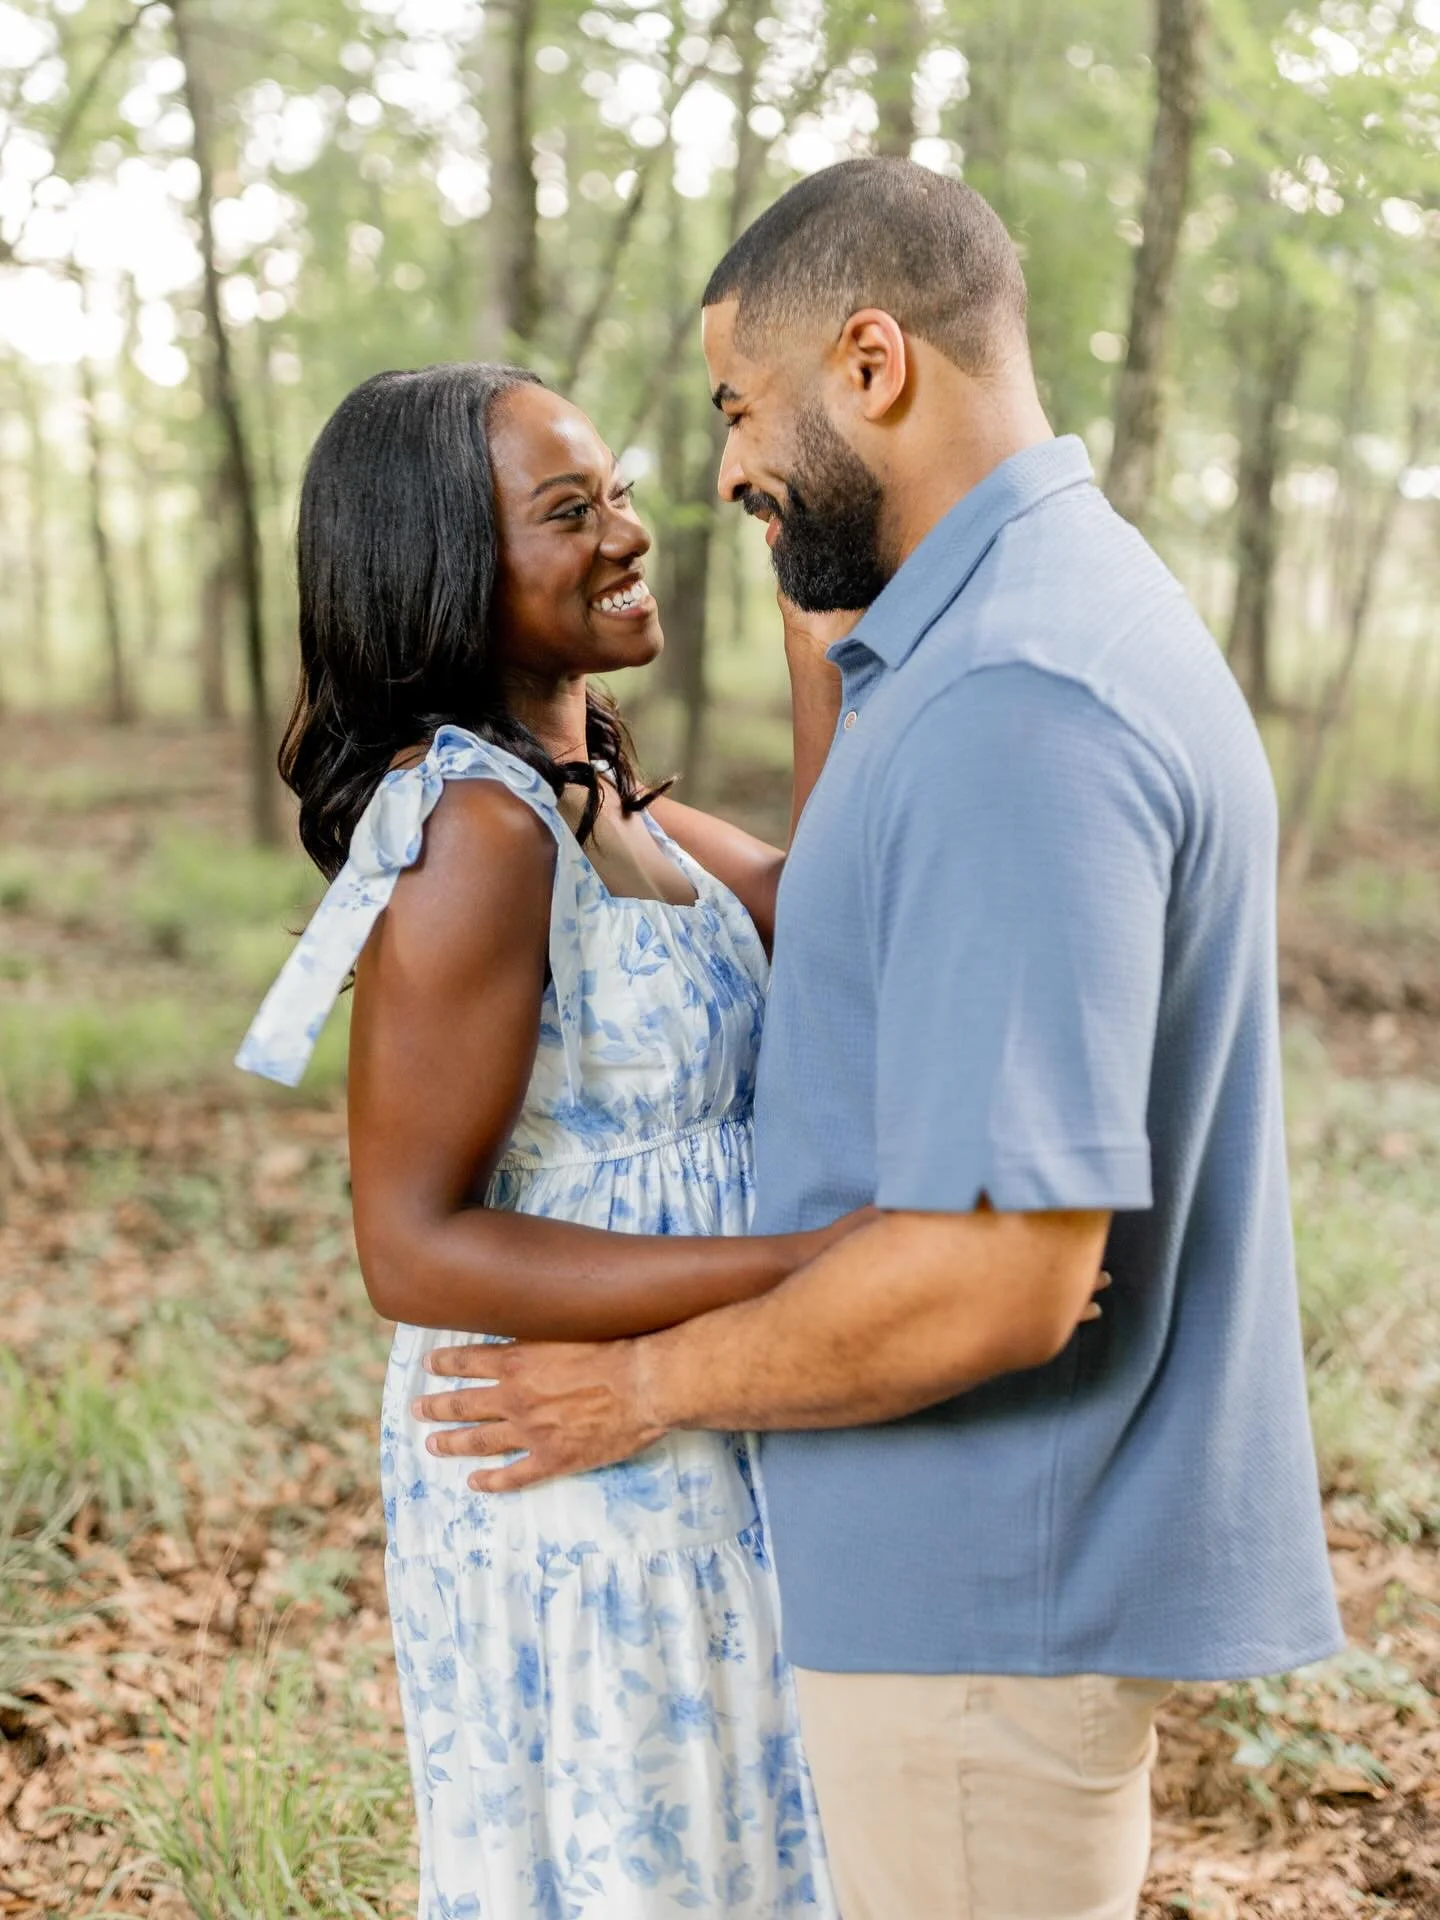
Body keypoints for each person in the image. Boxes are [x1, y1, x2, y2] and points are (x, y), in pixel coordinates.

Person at [411, 158, 1345, 1920]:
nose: (724, 470)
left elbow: (1000, 1276)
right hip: (969, 1576)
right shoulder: (1025, 624)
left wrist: (639, 1388)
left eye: (739, 410)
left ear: (872, 364)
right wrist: (805, 619)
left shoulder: (1012, 708)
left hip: (986, 1597)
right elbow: (847, 906)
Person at [234, 363, 874, 1917]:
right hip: (570, 1463)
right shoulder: (474, 833)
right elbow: (411, 1242)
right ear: (451, 567)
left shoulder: (598, 796)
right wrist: (809, 1267)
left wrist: (816, 634)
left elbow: (835, 914)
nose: (627, 533)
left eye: (623, 493)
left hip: (691, 1416)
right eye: (567, 512)